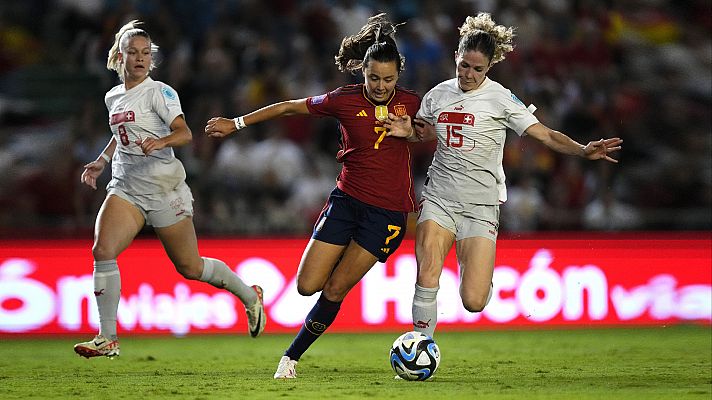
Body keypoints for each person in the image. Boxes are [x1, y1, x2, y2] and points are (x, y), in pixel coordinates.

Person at [204, 13, 421, 379]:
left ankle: (290, 358)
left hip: (385, 215)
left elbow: (437, 131)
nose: (380, 86)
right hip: (346, 201)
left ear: (399, 73)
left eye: (388, 79)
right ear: (362, 72)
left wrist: (412, 131)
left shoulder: (413, 104)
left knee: (336, 288)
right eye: (373, 78)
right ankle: (341, 264)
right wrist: (236, 123)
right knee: (306, 286)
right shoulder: (343, 100)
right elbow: (289, 106)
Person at [388, 12, 622, 338]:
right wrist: (408, 132)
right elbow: (426, 133)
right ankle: (421, 345)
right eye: (464, 66)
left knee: (473, 300)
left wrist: (582, 149)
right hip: (439, 197)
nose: (468, 74)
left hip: (481, 205)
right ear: (456, 57)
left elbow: (545, 135)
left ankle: (482, 276)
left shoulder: (501, 98)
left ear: (489, 68)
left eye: (477, 69)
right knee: (427, 272)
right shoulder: (437, 95)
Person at [73, 20, 265, 359]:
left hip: (164, 189)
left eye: (145, 53)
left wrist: (160, 141)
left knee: (190, 268)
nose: (140, 59)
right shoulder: (112, 96)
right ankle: (107, 337)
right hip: (126, 187)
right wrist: (102, 160)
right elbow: (121, 136)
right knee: (102, 251)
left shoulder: (160, 92)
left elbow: (185, 133)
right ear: (120, 56)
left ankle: (249, 296)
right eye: (133, 52)